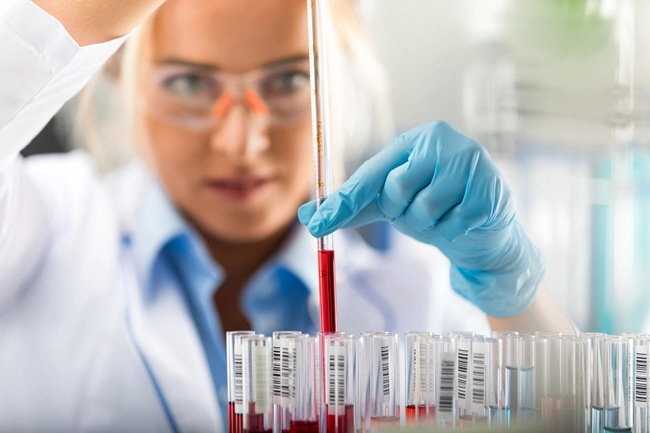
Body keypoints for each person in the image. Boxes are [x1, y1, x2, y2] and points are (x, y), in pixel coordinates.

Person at [0, 0, 574, 431]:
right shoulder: (41, 221)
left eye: (289, 80)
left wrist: (514, 295)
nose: (243, 142)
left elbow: (565, 412)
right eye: (192, 82)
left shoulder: (414, 294)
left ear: (342, 79)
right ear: (120, 73)